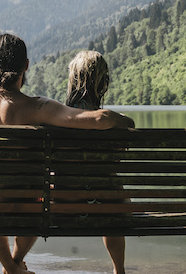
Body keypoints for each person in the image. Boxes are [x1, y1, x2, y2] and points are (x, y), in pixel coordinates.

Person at [0, 34, 134, 274]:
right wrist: (122, 119)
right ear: (26, 66)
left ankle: (10, 266)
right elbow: (97, 119)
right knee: (40, 196)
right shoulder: (39, 108)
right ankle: (13, 263)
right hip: (25, 205)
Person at [65, 50, 127, 274]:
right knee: (110, 191)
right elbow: (130, 124)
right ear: (103, 83)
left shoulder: (58, 117)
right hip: (109, 206)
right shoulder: (112, 122)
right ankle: (119, 270)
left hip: (64, 205)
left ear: (73, 81)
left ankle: (13, 264)